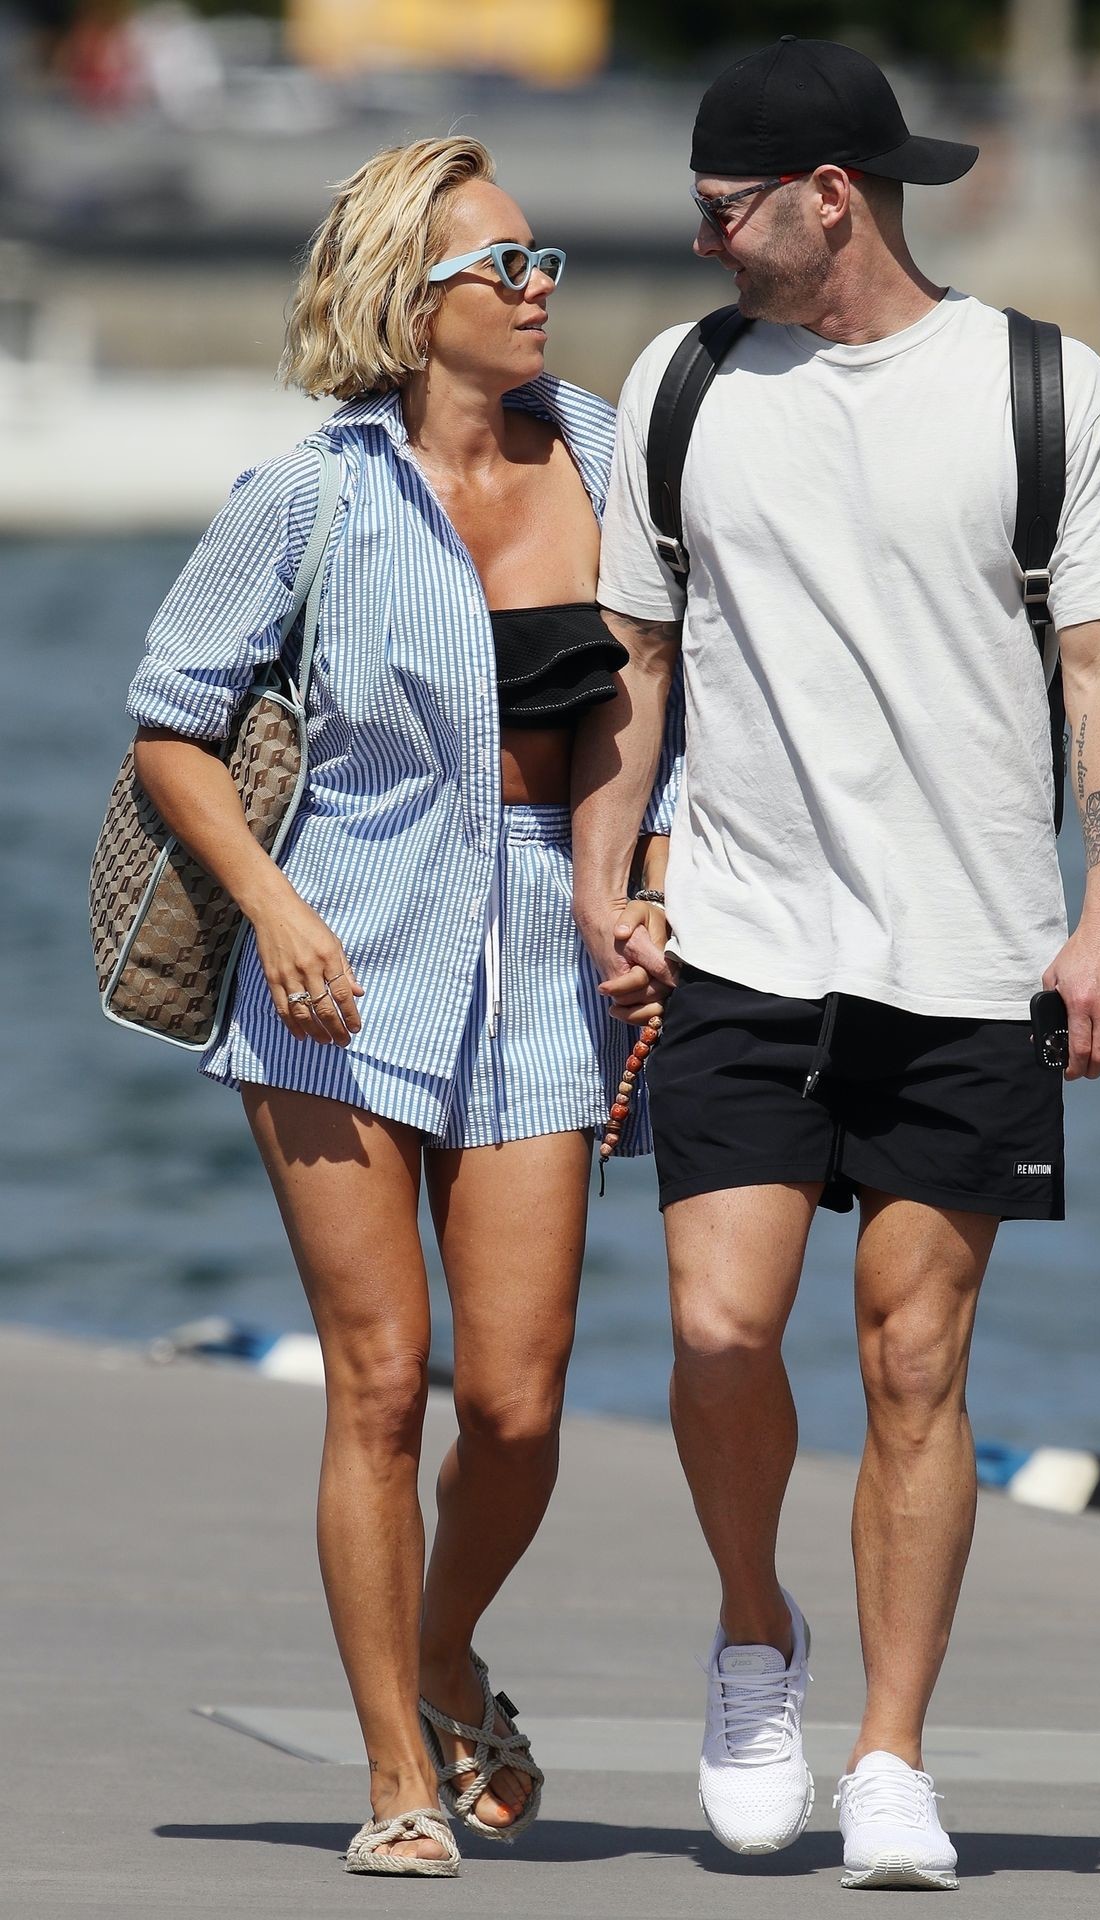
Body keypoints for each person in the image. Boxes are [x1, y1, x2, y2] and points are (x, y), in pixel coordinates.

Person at [573, 37, 1100, 1892]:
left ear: (831, 197)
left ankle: (894, 1755)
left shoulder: (1042, 391)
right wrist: (608, 878)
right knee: (716, 1327)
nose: (701, 238)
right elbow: (635, 656)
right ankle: (756, 1636)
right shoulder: (681, 383)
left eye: (724, 208)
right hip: (744, 934)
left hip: (971, 952)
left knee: (916, 1361)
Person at [124, 136, 676, 1877]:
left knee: (515, 1400)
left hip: (547, 953)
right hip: (338, 961)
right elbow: (171, 722)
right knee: (379, 1379)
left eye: (542, 259)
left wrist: (647, 882)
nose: (536, 288)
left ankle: (443, 1652)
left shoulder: (610, 457)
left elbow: (670, 698)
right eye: (501, 265)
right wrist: (272, 905)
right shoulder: (310, 494)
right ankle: (394, 1780)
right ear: (408, 300)